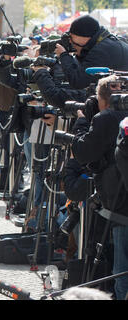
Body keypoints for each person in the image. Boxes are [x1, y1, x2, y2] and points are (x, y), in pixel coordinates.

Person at [71, 75, 128, 300]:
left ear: (101, 98)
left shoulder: (105, 119)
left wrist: (82, 122)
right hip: (118, 202)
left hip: (119, 205)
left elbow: (84, 152)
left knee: (121, 267)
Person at [55, 15, 128, 89]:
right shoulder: (110, 42)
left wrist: (63, 55)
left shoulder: (101, 51)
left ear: (84, 36)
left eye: (72, 36)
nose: (70, 41)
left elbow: (78, 81)